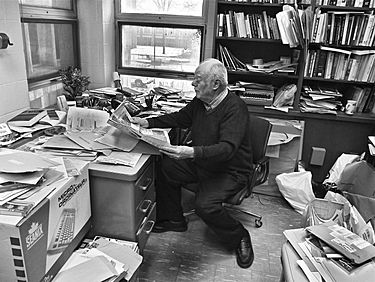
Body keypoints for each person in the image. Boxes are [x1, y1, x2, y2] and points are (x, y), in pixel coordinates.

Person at [132, 58, 254, 268]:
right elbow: (180, 117)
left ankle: (239, 236)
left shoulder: (235, 108)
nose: (192, 84)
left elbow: (227, 149)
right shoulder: (201, 102)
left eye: (198, 80)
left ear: (215, 84)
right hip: (203, 162)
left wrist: (191, 152)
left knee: (204, 206)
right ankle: (174, 219)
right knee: (166, 167)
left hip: (230, 170)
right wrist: (148, 122)